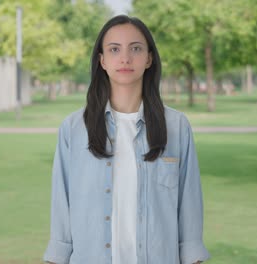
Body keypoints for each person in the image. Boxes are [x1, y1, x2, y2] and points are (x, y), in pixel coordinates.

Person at [43, 15, 210, 264]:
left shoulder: (176, 127)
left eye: (135, 48)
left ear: (149, 58)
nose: (125, 58)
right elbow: (61, 207)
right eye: (114, 49)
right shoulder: (73, 129)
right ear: (102, 60)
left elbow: (189, 205)